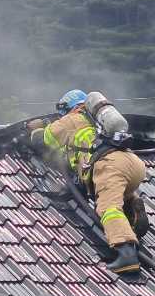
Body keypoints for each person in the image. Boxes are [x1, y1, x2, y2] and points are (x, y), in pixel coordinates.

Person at [30, 89, 147, 273]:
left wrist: (36, 128)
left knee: (108, 208)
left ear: (70, 107)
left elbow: (42, 141)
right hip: (133, 164)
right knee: (117, 189)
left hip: (108, 164)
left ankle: (126, 256)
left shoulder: (72, 120)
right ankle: (132, 205)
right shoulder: (99, 122)